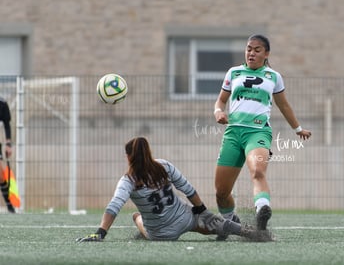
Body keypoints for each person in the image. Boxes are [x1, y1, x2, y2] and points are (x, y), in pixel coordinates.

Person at [77, 137, 270, 242]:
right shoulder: (164, 166)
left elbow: (114, 207)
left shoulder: (128, 180)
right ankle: (249, 231)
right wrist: (204, 212)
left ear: (129, 157)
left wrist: (100, 232)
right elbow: (189, 190)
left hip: (160, 234)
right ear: (148, 152)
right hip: (185, 218)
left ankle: (140, 224)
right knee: (211, 224)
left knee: (136, 216)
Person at [213, 34, 311, 239]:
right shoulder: (234, 72)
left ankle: (262, 211)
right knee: (221, 192)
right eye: (249, 49)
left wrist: (298, 129)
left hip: (258, 132)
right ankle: (232, 222)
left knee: (257, 170)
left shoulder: (273, 76)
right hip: (233, 134)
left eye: (257, 50)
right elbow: (220, 102)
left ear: (266, 54)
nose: (251, 53)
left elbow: (283, 105)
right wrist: (218, 112)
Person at [0, 96, 15, 213]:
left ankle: (10, 206)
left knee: (1, 176)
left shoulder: (2, 104)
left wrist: (8, 144)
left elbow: (6, 124)